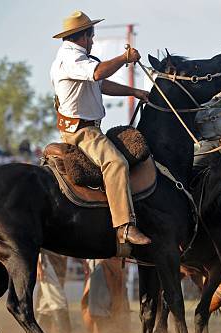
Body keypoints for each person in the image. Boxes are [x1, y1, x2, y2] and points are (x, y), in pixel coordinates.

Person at [51, 10, 151, 246]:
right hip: (82, 132)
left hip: (86, 128)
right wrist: (124, 58)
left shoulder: (76, 59)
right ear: (83, 36)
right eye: (92, 35)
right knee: (116, 163)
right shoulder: (71, 59)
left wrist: (134, 92)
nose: (93, 40)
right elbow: (98, 73)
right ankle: (124, 226)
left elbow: (101, 83)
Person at [35, 250, 71, 333]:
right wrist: (38, 263)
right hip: (48, 260)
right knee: (58, 302)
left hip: (56, 260)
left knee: (44, 306)